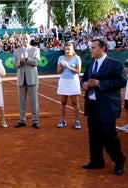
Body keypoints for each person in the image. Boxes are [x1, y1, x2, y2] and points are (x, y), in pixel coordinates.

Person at [81, 38, 126, 175]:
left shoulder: (116, 64)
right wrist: (84, 84)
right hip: (92, 106)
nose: (91, 50)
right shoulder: (89, 64)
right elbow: (84, 79)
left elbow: (122, 81)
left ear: (102, 48)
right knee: (94, 136)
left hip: (107, 107)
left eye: (93, 47)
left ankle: (119, 161)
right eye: (91, 47)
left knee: (109, 136)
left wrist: (100, 83)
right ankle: (97, 161)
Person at [13, 33, 40, 129]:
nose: (25, 40)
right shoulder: (17, 51)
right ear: (21, 40)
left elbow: (36, 62)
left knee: (34, 101)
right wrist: (20, 61)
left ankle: (35, 120)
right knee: (21, 102)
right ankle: (22, 120)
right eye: (23, 39)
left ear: (29, 39)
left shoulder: (35, 50)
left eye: (27, 39)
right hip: (21, 79)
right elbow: (14, 65)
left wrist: (28, 59)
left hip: (32, 79)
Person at [56, 42, 82, 130]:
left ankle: (77, 121)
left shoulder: (77, 58)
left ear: (72, 49)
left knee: (75, 102)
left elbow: (78, 71)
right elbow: (58, 72)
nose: (67, 51)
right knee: (63, 102)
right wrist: (61, 67)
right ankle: (62, 120)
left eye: (68, 49)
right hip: (63, 81)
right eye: (65, 49)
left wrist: (69, 67)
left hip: (73, 82)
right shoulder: (61, 58)